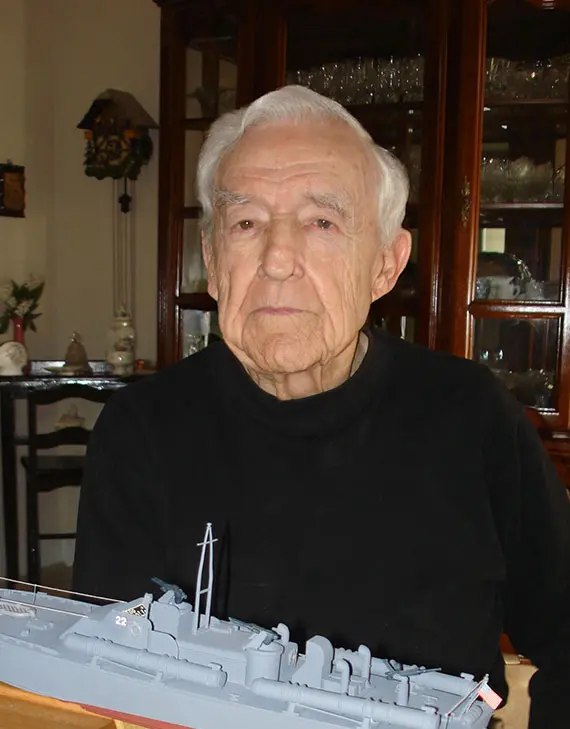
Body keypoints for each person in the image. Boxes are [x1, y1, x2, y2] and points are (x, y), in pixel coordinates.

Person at [73, 86, 570, 728]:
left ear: (386, 266)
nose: (278, 260)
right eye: (246, 223)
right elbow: (105, 678)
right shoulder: (140, 432)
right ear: (213, 262)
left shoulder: (472, 417)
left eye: (322, 222)